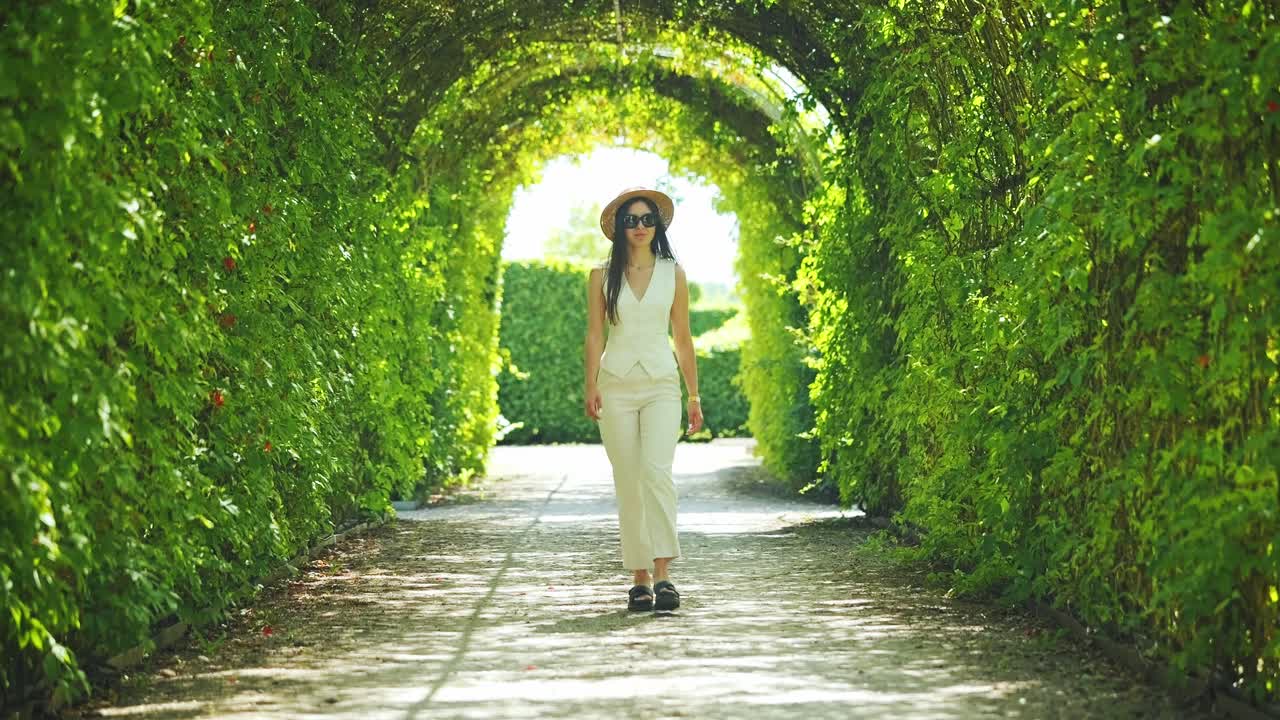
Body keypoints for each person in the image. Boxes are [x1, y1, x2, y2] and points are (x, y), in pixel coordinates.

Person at [583, 187, 704, 612]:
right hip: (615, 385)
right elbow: (595, 334)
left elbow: (683, 338)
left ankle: (664, 574)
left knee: (656, 472)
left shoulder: (674, 274)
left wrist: (693, 394)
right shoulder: (601, 275)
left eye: (647, 219)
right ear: (620, 227)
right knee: (629, 477)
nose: (639, 227)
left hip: (661, 385)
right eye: (631, 220)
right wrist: (591, 384)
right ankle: (639, 578)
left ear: (657, 226)